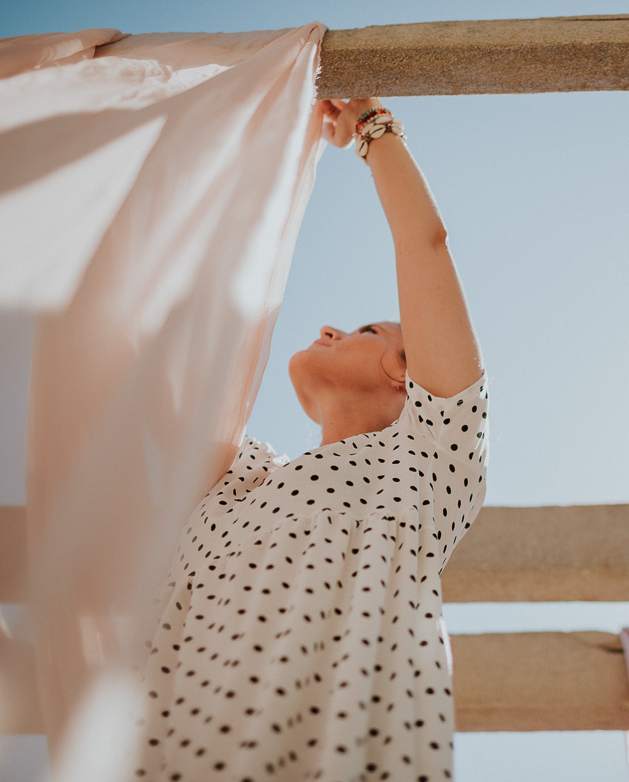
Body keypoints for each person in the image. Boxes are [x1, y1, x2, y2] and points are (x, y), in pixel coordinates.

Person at [134, 98, 488, 782]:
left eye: (364, 329)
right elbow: (178, 346)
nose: (327, 327)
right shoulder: (243, 480)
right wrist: (269, 160)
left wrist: (373, 133)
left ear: (404, 372)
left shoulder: (425, 461)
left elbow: (426, 246)